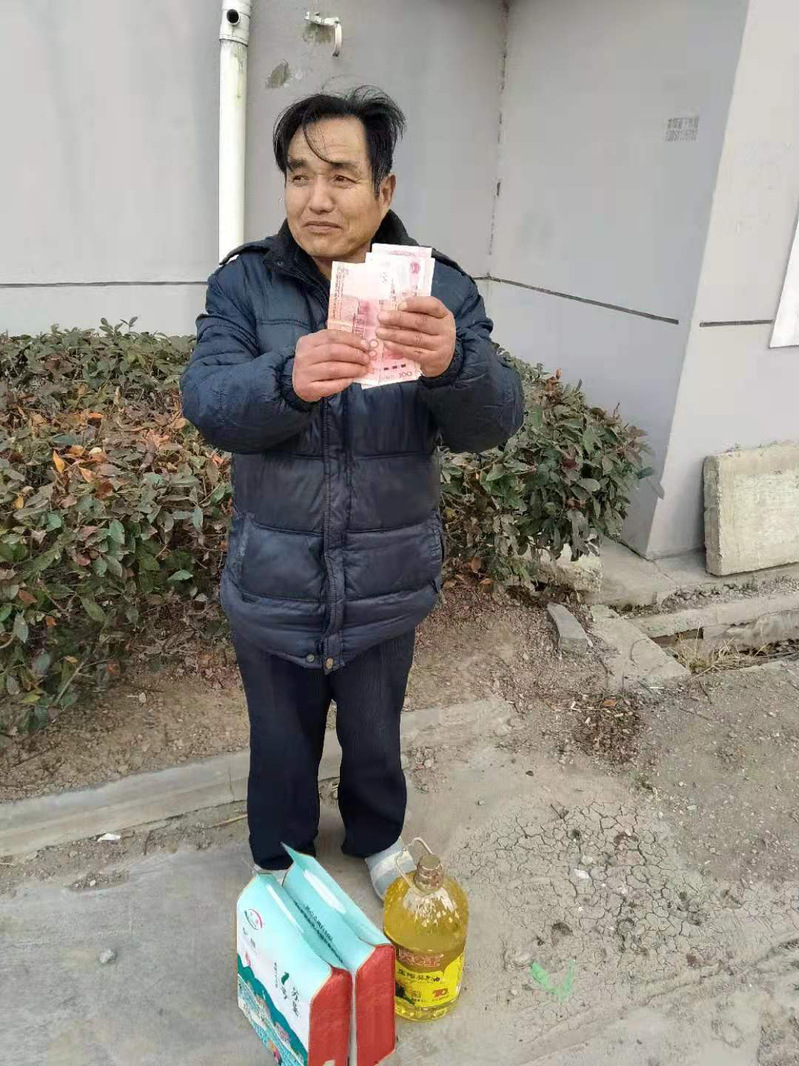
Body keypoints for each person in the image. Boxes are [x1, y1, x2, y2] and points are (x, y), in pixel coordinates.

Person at [181, 87, 523, 899]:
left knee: (375, 731)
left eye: (340, 176)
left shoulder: (438, 289)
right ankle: (281, 858)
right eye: (298, 176)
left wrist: (456, 364)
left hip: (385, 573)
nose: (316, 198)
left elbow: (493, 422)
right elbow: (206, 401)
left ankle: (377, 837)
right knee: (279, 738)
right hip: (273, 574)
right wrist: (282, 379)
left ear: (384, 188)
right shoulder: (244, 286)